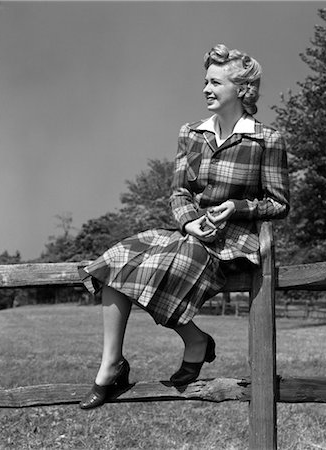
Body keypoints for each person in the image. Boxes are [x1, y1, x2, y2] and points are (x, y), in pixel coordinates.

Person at [78, 43, 290, 410]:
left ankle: (194, 343)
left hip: (233, 242)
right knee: (116, 258)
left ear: (242, 90)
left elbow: (279, 203)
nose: (206, 88)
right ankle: (112, 364)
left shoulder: (266, 140)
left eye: (216, 82)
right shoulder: (190, 133)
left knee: (169, 264)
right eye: (205, 81)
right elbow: (178, 192)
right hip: (191, 234)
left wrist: (236, 208)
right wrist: (190, 222)